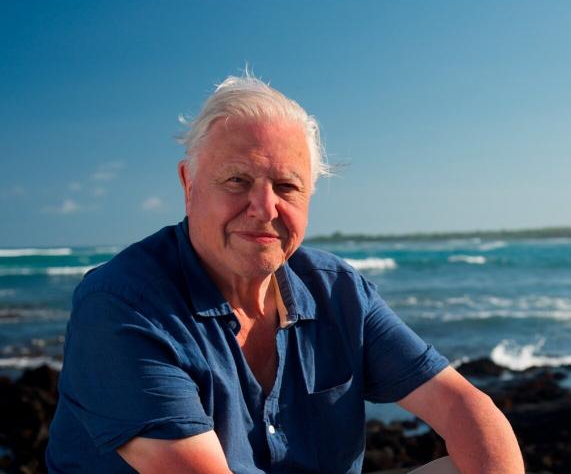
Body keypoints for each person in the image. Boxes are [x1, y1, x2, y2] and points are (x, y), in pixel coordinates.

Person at [46, 73, 524, 473]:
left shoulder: (337, 290)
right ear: (189, 185)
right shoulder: (122, 305)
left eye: (286, 186)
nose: (264, 207)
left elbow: (464, 408)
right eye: (237, 180)